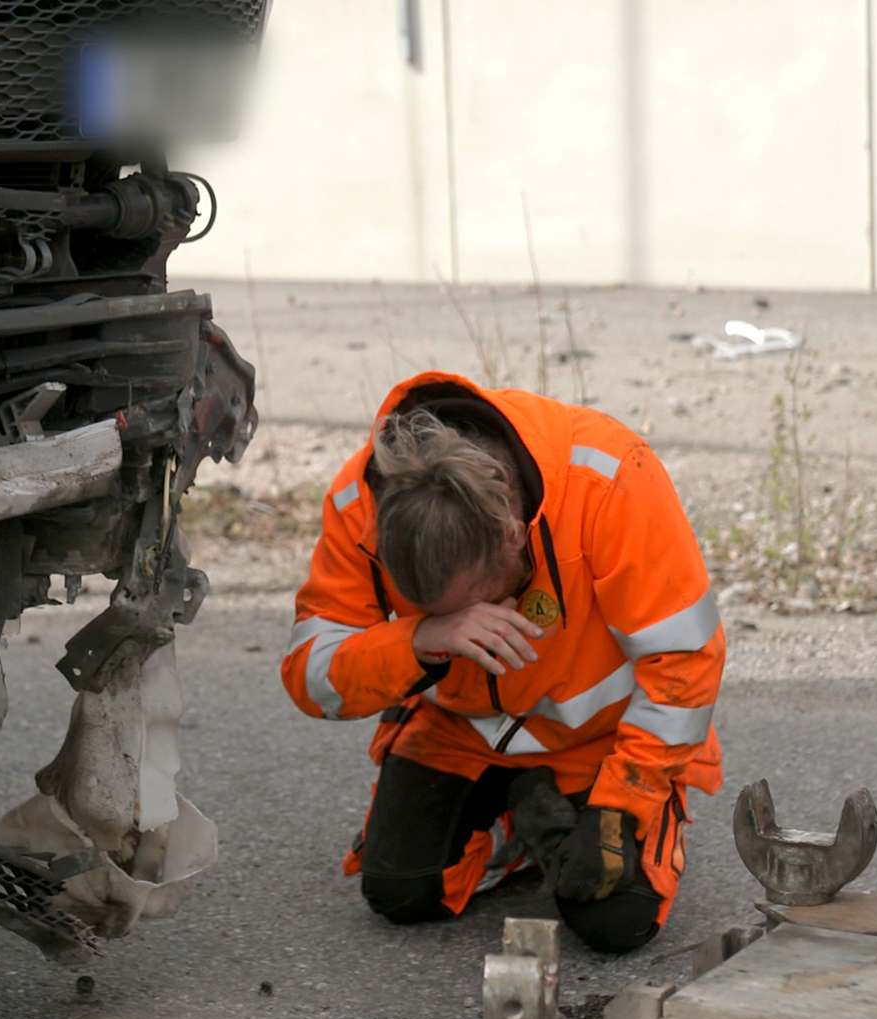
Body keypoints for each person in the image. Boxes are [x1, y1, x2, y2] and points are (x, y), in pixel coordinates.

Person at [280, 372, 724, 953]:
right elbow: (312, 677)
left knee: (615, 920)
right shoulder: (361, 497)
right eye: (429, 609)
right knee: (402, 892)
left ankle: (565, 807)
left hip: (602, 743)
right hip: (456, 732)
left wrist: (623, 801)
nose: (477, 627)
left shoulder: (609, 477)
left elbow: (684, 664)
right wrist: (421, 639)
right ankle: (523, 823)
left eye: (479, 602)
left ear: (515, 536)